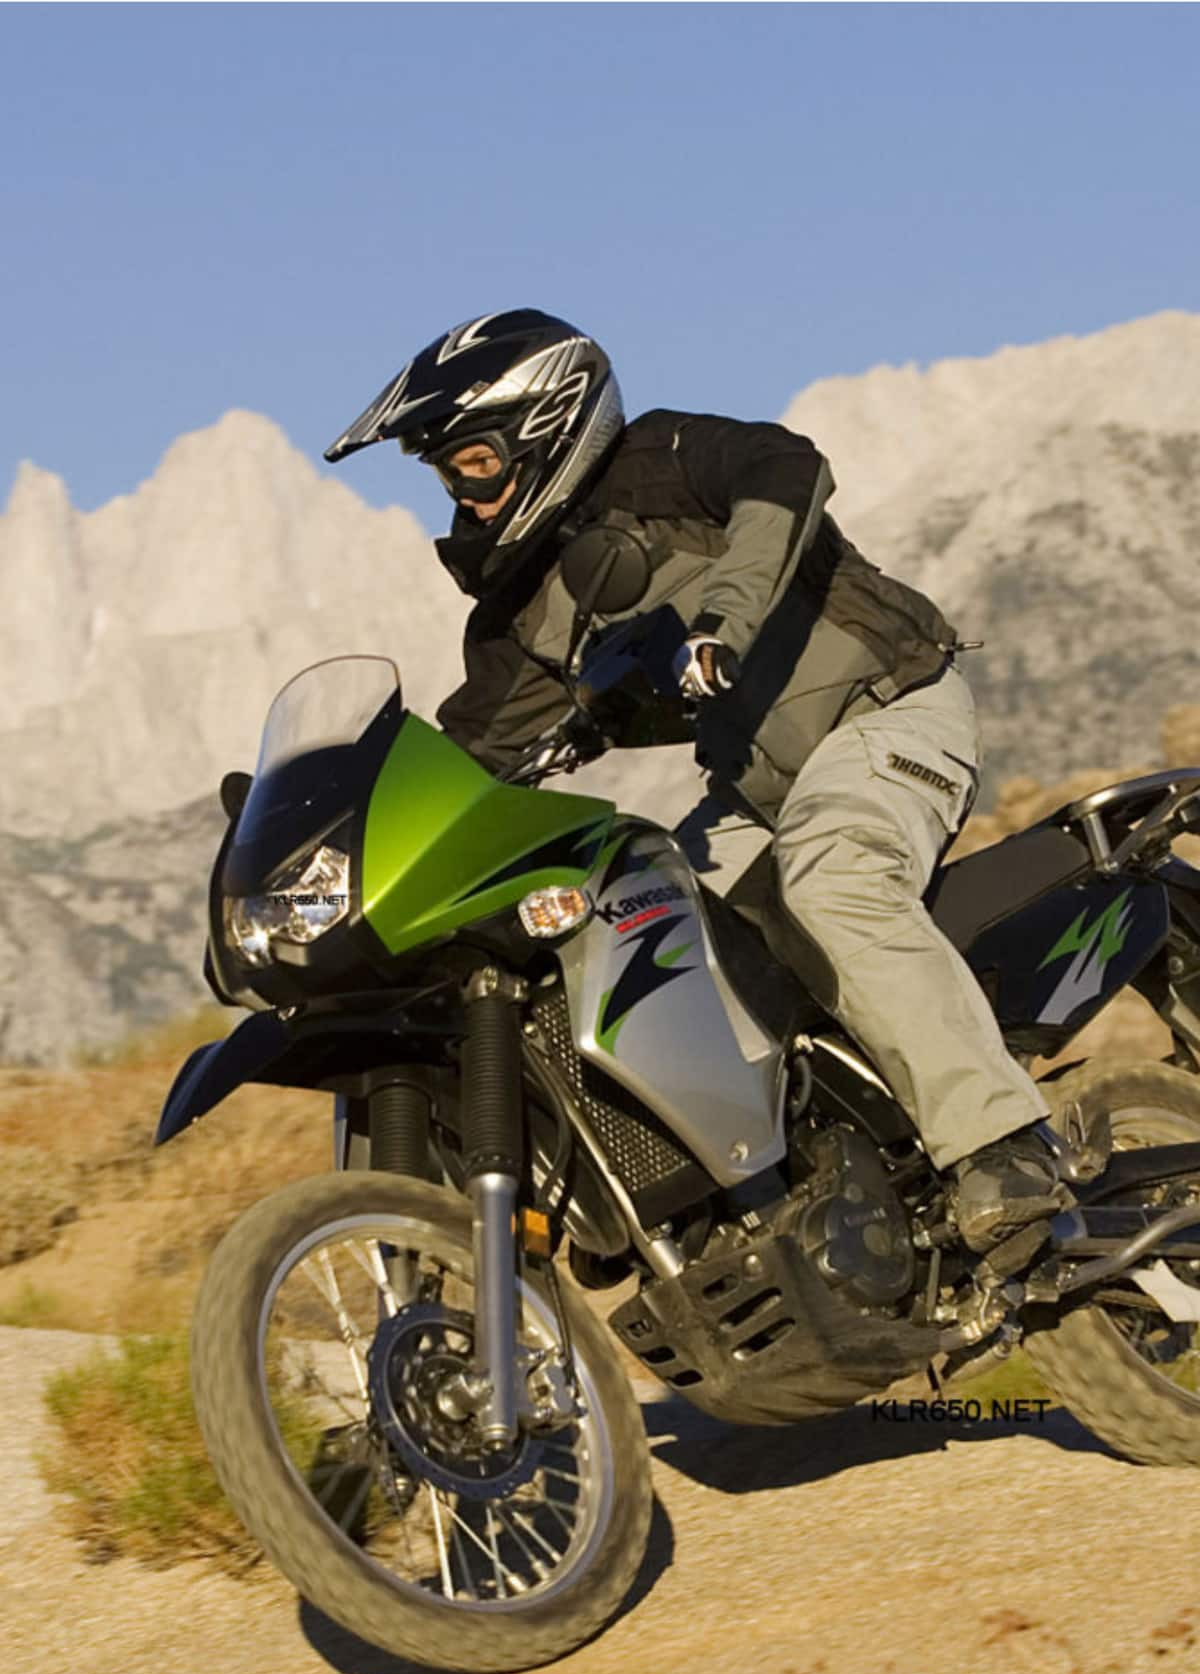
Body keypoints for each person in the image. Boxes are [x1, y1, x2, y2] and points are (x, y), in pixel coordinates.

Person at [325, 308, 1070, 1251]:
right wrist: (340, 825)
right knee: (631, 940)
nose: (464, 496)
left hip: (889, 713)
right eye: (447, 474)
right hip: (760, 797)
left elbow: (787, 468)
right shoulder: (522, 617)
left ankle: (1004, 1141)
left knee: (832, 880)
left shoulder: (660, 460)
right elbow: (463, 764)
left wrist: (723, 619)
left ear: (546, 429)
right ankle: (779, 1203)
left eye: (475, 463)